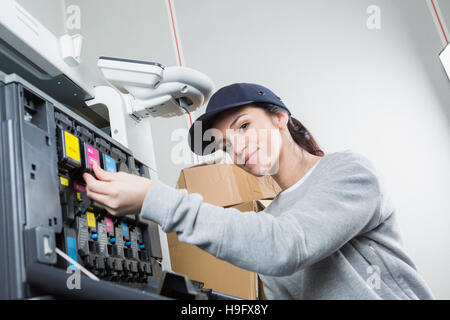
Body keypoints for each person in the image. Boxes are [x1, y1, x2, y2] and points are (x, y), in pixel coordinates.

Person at [83, 83, 434, 299]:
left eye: (244, 126)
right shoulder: (271, 220)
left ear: (280, 117)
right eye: (224, 144)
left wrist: (153, 198)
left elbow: (288, 245)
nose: (236, 148)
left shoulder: (348, 171)